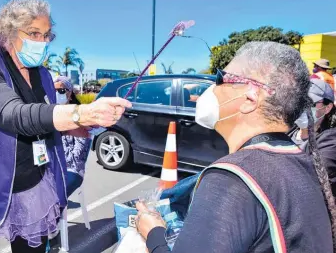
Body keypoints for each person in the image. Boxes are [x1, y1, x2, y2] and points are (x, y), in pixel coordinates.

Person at [135, 42, 336, 253]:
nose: (212, 87)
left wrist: (154, 234)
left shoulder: (232, 180)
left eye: (221, 78)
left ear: (250, 99)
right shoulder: (302, 163)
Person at [0, 0, 131, 253]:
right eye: (34, 34)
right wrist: (81, 113)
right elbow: (13, 114)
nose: (42, 43)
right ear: (9, 32)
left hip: (32, 183)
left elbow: (43, 115)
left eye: (46, 36)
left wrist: (70, 127)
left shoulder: (42, 74)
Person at [290, 79, 336, 194]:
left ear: (327, 108)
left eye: (310, 103)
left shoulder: (331, 141)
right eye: (299, 102)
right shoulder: (287, 131)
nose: (302, 108)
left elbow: (310, 177)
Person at [54, 76, 91, 197]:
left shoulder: (78, 114)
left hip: (70, 169)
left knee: (50, 198)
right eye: (53, 90)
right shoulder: (48, 113)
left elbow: (78, 155)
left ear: (70, 94)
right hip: (49, 168)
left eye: (61, 91)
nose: (56, 94)